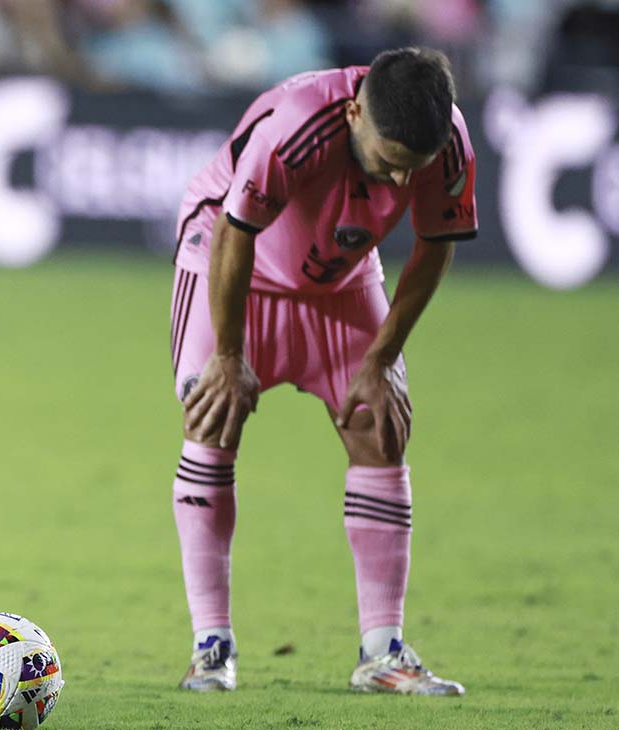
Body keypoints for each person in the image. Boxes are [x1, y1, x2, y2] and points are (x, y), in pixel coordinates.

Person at [169, 47, 475, 695]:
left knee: (380, 424)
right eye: (391, 162)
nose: (398, 184)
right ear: (356, 111)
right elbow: (234, 232)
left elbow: (433, 247)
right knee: (213, 416)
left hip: (341, 278)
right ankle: (211, 647)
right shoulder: (298, 122)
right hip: (230, 263)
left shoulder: (447, 144)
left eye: (410, 170)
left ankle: (382, 653)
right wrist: (228, 358)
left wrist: (381, 359)